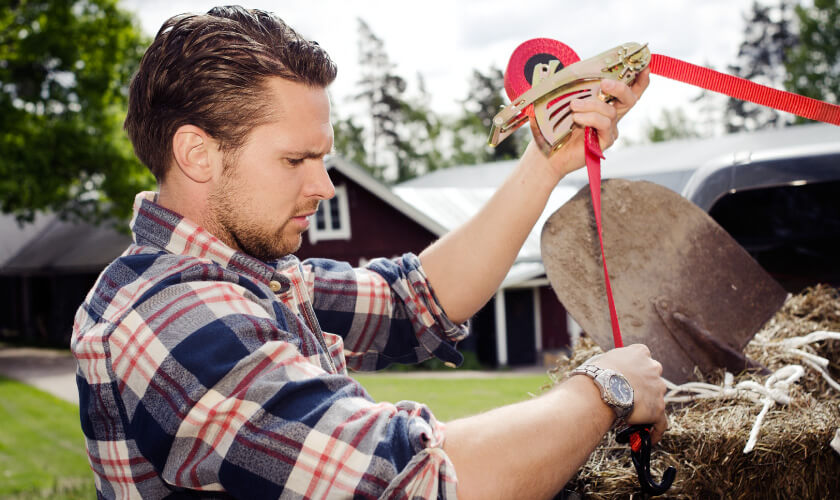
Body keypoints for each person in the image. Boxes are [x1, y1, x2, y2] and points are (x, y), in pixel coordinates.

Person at [71, 5, 667, 500]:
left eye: (322, 157)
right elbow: (415, 482)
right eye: (295, 160)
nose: (324, 186)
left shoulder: (255, 278)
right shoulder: (169, 320)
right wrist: (601, 390)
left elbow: (419, 299)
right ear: (197, 154)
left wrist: (547, 159)